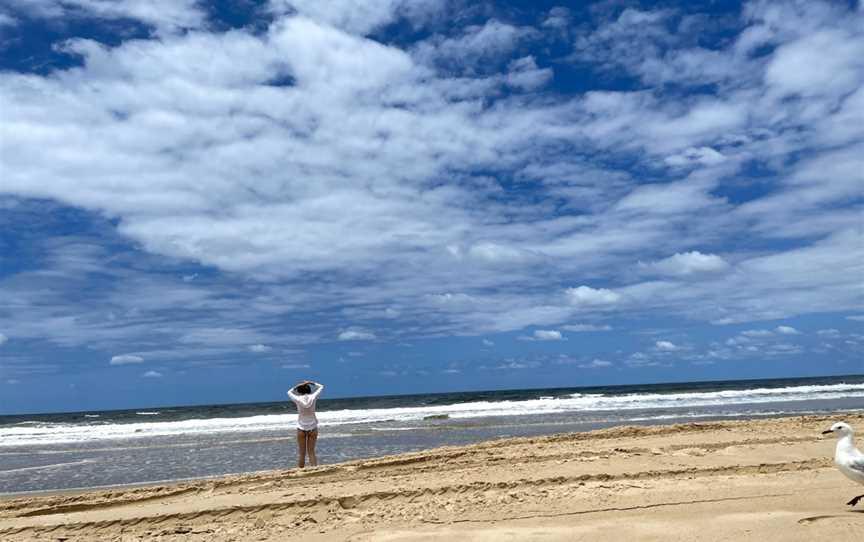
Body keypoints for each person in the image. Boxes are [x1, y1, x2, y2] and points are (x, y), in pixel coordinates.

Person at [287, 380, 324, 468]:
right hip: (313, 428)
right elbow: (321, 386)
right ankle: (315, 469)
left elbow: (288, 392)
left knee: (302, 453)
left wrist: (298, 385)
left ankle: (300, 471)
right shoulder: (313, 397)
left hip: (301, 428)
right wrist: (310, 382)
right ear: (309, 390)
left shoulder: (297, 399)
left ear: (299, 391)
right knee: (311, 452)